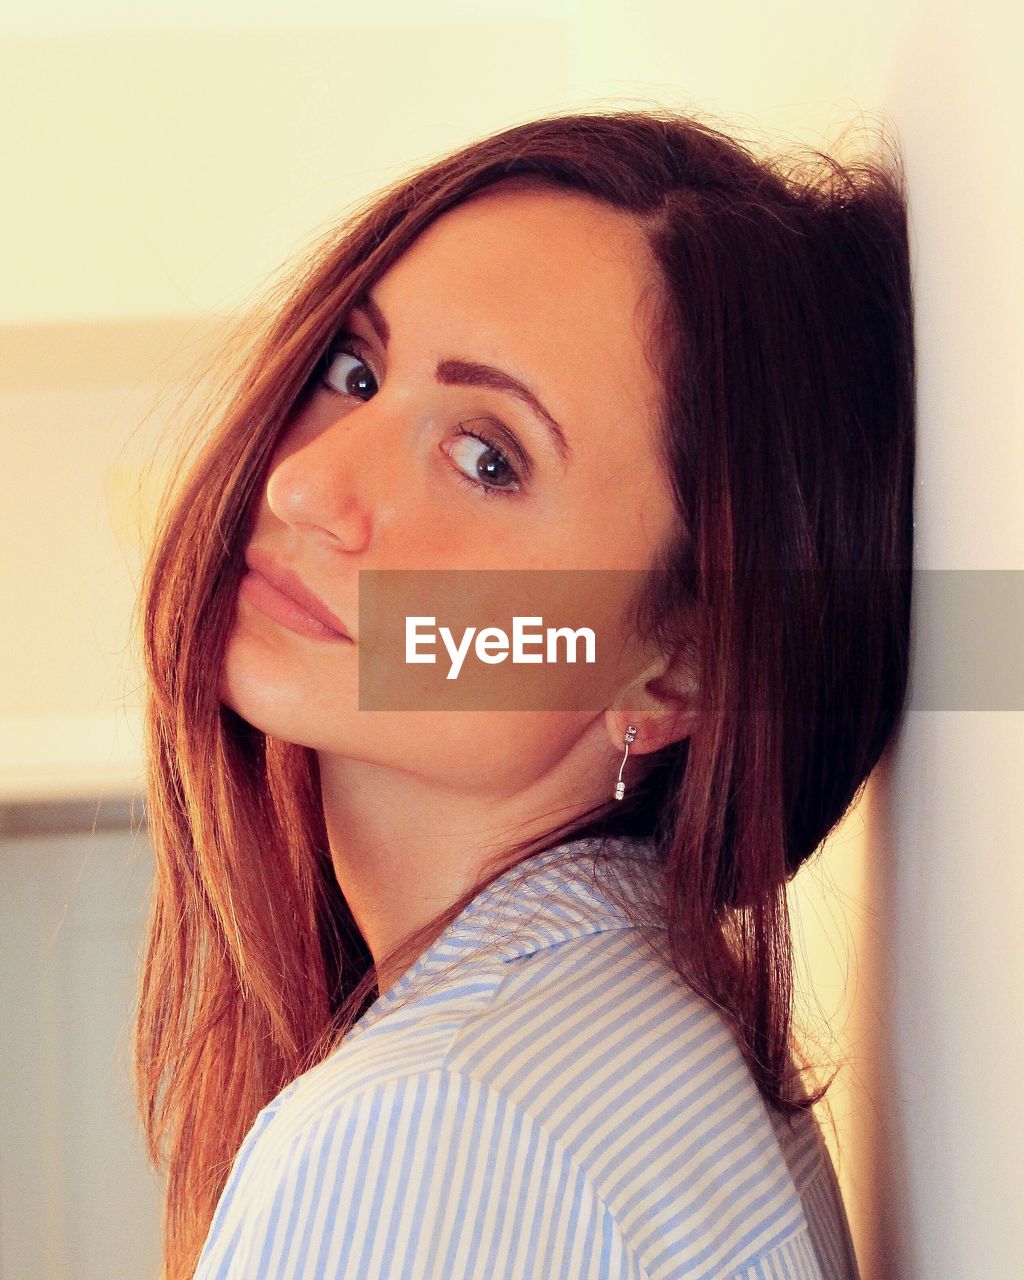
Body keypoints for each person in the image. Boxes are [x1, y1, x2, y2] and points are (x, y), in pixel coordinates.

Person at [133, 106, 915, 1280]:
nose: (306, 484)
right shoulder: (643, 1039)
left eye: (487, 457)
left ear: (676, 665)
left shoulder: (430, 1132)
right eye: (356, 371)